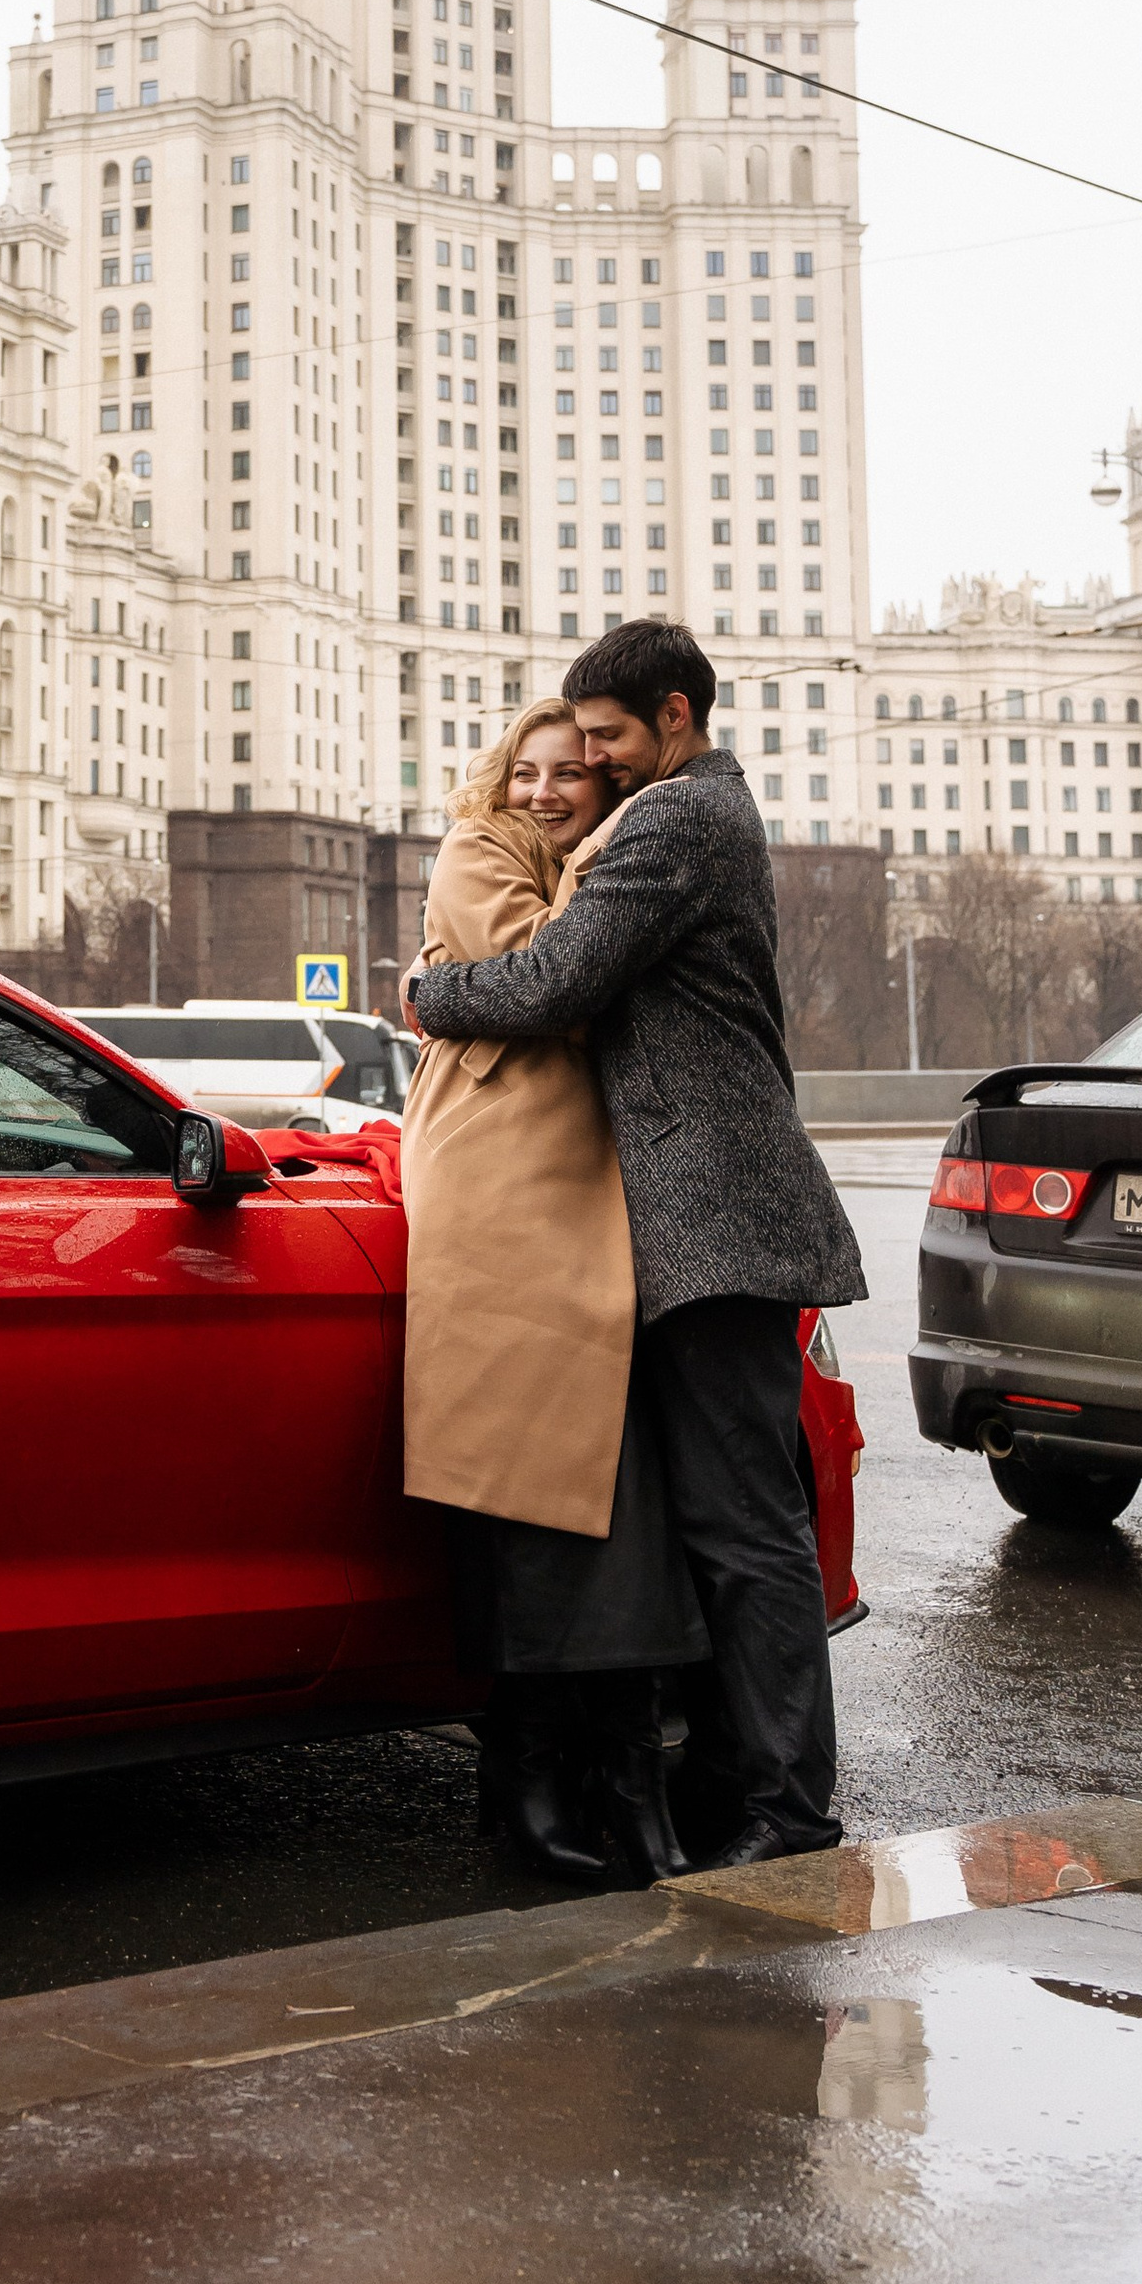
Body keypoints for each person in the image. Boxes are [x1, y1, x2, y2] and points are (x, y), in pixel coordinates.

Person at [410, 621, 867, 1865]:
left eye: (606, 741)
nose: (594, 767)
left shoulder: (673, 821)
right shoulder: (675, 811)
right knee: (713, 1528)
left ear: (672, 717)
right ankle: (724, 1787)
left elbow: (550, 982)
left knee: (746, 1533)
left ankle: (787, 1815)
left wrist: (419, 993)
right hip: (686, 1223)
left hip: (714, 1219)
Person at [403, 701, 703, 1886]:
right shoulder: (478, 848)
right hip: (501, 1182)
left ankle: (605, 1777)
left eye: (568, 773)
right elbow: (562, 985)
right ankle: (533, 1780)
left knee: (609, 1490)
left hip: (578, 1178)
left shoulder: (609, 859)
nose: (539, 790)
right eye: (522, 770)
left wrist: (439, 985)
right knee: (527, 1472)